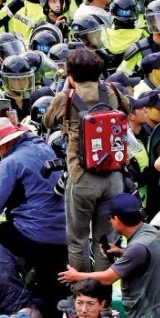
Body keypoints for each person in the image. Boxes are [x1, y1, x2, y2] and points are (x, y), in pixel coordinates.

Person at [0, 116, 68, 318]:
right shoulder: (43, 147)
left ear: (3, 145)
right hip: (62, 233)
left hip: (34, 234)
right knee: (53, 290)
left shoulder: (11, 162)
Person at [44, 47, 130, 272]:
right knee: (105, 241)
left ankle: (82, 295)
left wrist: (65, 90)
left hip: (81, 176)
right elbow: (127, 108)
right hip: (113, 176)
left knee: (78, 240)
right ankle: (101, 300)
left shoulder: (67, 97)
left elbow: (47, 120)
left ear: (70, 74)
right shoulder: (111, 90)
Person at [58, 192, 160, 318]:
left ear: (117, 219)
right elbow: (145, 258)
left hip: (153, 316)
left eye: (110, 218)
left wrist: (76, 276)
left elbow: (108, 278)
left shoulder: (137, 248)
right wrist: (120, 251)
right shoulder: (150, 231)